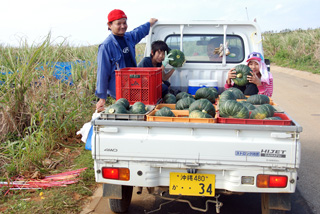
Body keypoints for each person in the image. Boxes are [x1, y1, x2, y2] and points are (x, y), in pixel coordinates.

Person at [95, 9, 158, 111]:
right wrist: (102, 97)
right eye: (118, 23)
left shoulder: (128, 37)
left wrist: (149, 23)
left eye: (124, 23)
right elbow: (102, 72)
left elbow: (139, 31)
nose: (123, 26)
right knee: (124, 109)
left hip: (133, 84)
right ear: (110, 25)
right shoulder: (106, 46)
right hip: (119, 88)